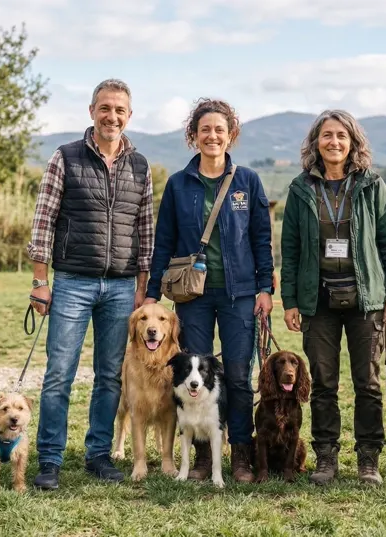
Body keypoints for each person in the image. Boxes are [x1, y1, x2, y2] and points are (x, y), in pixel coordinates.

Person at [26, 79, 154, 488]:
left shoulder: (140, 166)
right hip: (72, 282)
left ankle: (98, 454)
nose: (111, 116)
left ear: (129, 116)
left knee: (110, 376)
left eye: (119, 110)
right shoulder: (65, 157)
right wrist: (40, 281)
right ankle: (50, 459)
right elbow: (43, 221)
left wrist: (142, 287)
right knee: (59, 374)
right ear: (92, 111)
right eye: (105, 108)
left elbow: (145, 231)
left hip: (121, 286)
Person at [144, 98, 274, 484]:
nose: (212, 136)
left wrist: (264, 287)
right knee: (192, 375)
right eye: (205, 129)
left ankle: (240, 453)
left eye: (219, 129)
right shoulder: (178, 184)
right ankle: (202, 455)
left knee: (237, 375)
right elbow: (163, 242)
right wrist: (152, 293)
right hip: (192, 297)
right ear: (193, 135)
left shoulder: (247, 181)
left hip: (240, 294)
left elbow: (261, 238)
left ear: (231, 135)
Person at [280, 109, 386, 486]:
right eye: (327, 135)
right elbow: (290, 249)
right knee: (323, 383)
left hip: (367, 299)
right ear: (316, 142)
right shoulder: (300, 188)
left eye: (341, 136)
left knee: (367, 383)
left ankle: (368, 459)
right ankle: (326, 458)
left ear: (352, 143)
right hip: (318, 301)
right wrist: (290, 301)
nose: (334, 142)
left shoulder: (371, 185)